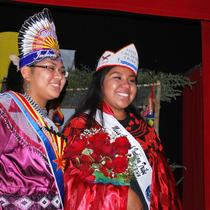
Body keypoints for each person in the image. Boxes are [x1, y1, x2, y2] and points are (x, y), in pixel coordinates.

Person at [63, 43, 182, 210]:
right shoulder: (82, 126)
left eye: (131, 80)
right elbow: (72, 185)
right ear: (100, 83)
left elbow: (163, 185)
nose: (126, 85)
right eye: (117, 77)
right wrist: (122, 199)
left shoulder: (144, 130)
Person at [0, 8, 68, 209]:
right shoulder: (5, 109)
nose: (59, 76)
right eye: (49, 68)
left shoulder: (50, 123)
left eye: (62, 71)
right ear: (26, 72)